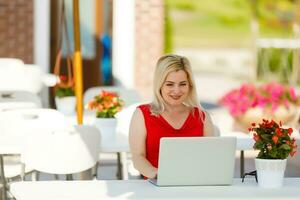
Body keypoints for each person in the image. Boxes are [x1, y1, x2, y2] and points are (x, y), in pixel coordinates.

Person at [129, 54, 215, 179]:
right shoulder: (142, 114)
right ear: (159, 85)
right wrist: (157, 174)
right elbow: (138, 157)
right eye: (169, 84)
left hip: (194, 185)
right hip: (155, 188)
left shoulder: (202, 117)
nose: (177, 91)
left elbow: (210, 157)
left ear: (190, 85)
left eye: (182, 84)